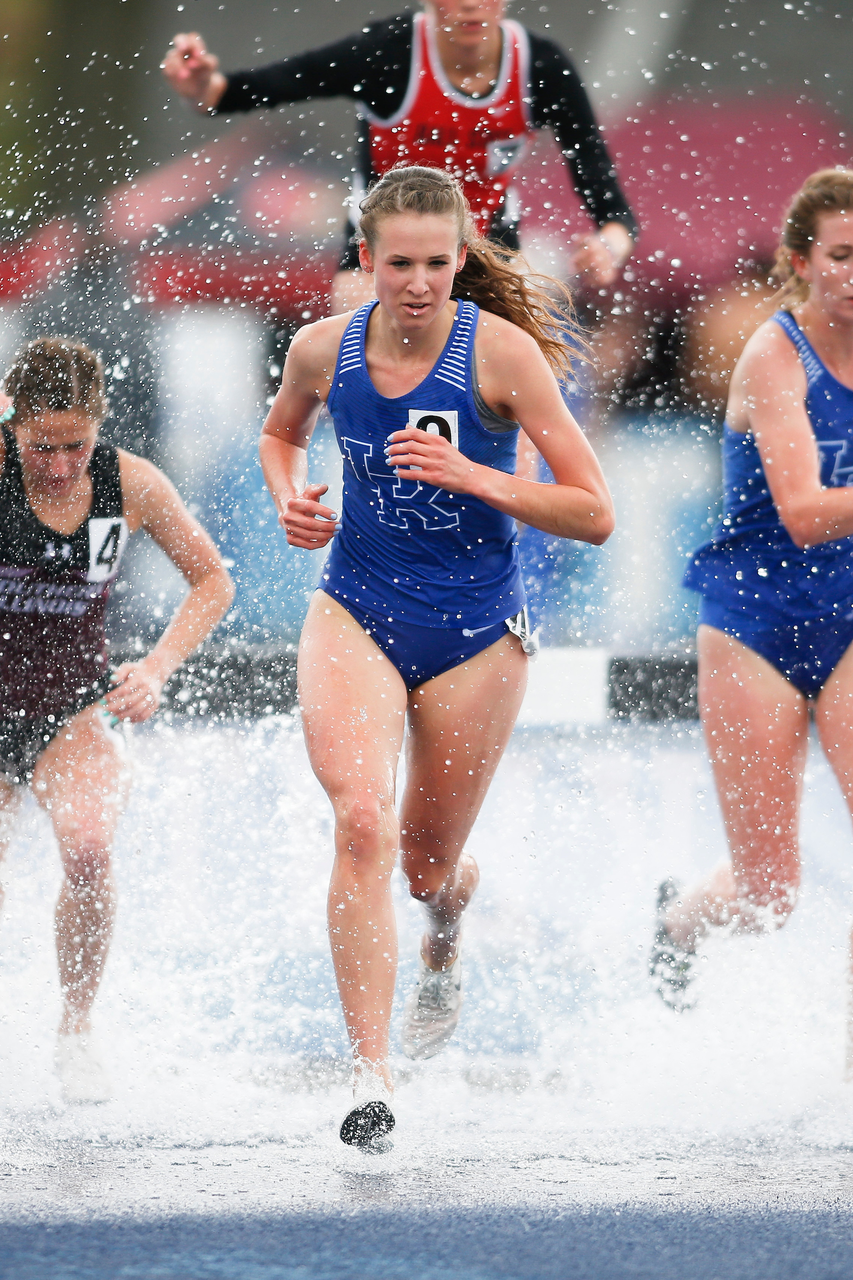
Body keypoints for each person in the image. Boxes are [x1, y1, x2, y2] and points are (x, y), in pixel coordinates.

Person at [259, 165, 613, 1147]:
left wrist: (472, 474)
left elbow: (593, 511)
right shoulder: (320, 350)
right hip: (356, 608)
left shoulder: (499, 357)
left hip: (474, 633)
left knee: (422, 869)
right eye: (398, 262)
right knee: (360, 819)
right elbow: (280, 435)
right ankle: (370, 1079)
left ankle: (448, 926)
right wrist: (290, 493)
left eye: (436, 263)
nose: (417, 283)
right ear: (366, 259)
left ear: (463, 258)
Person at [0, 338, 234, 1102]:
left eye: (76, 445)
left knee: (92, 848)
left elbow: (211, 583)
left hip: (70, 705)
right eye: (42, 447)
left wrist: (157, 667)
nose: (61, 466)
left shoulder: (133, 484)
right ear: (14, 425)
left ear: (98, 429)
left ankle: (75, 1029)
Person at [652, 169, 853, 1023]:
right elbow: (805, 513)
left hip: (848, 619)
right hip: (754, 623)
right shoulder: (774, 353)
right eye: (842, 255)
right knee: (769, 897)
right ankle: (675, 924)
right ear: (804, 262)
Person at [161, 0, 637, 313]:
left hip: (486, 244)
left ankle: (517, 468)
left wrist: (608, 249)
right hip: (381, 245)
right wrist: (204, 87)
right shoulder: (388, 53)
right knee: (356, 315)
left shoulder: (543, 66)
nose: (472, 6)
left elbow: (608, 200)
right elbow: (263, 87)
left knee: (520, 353)